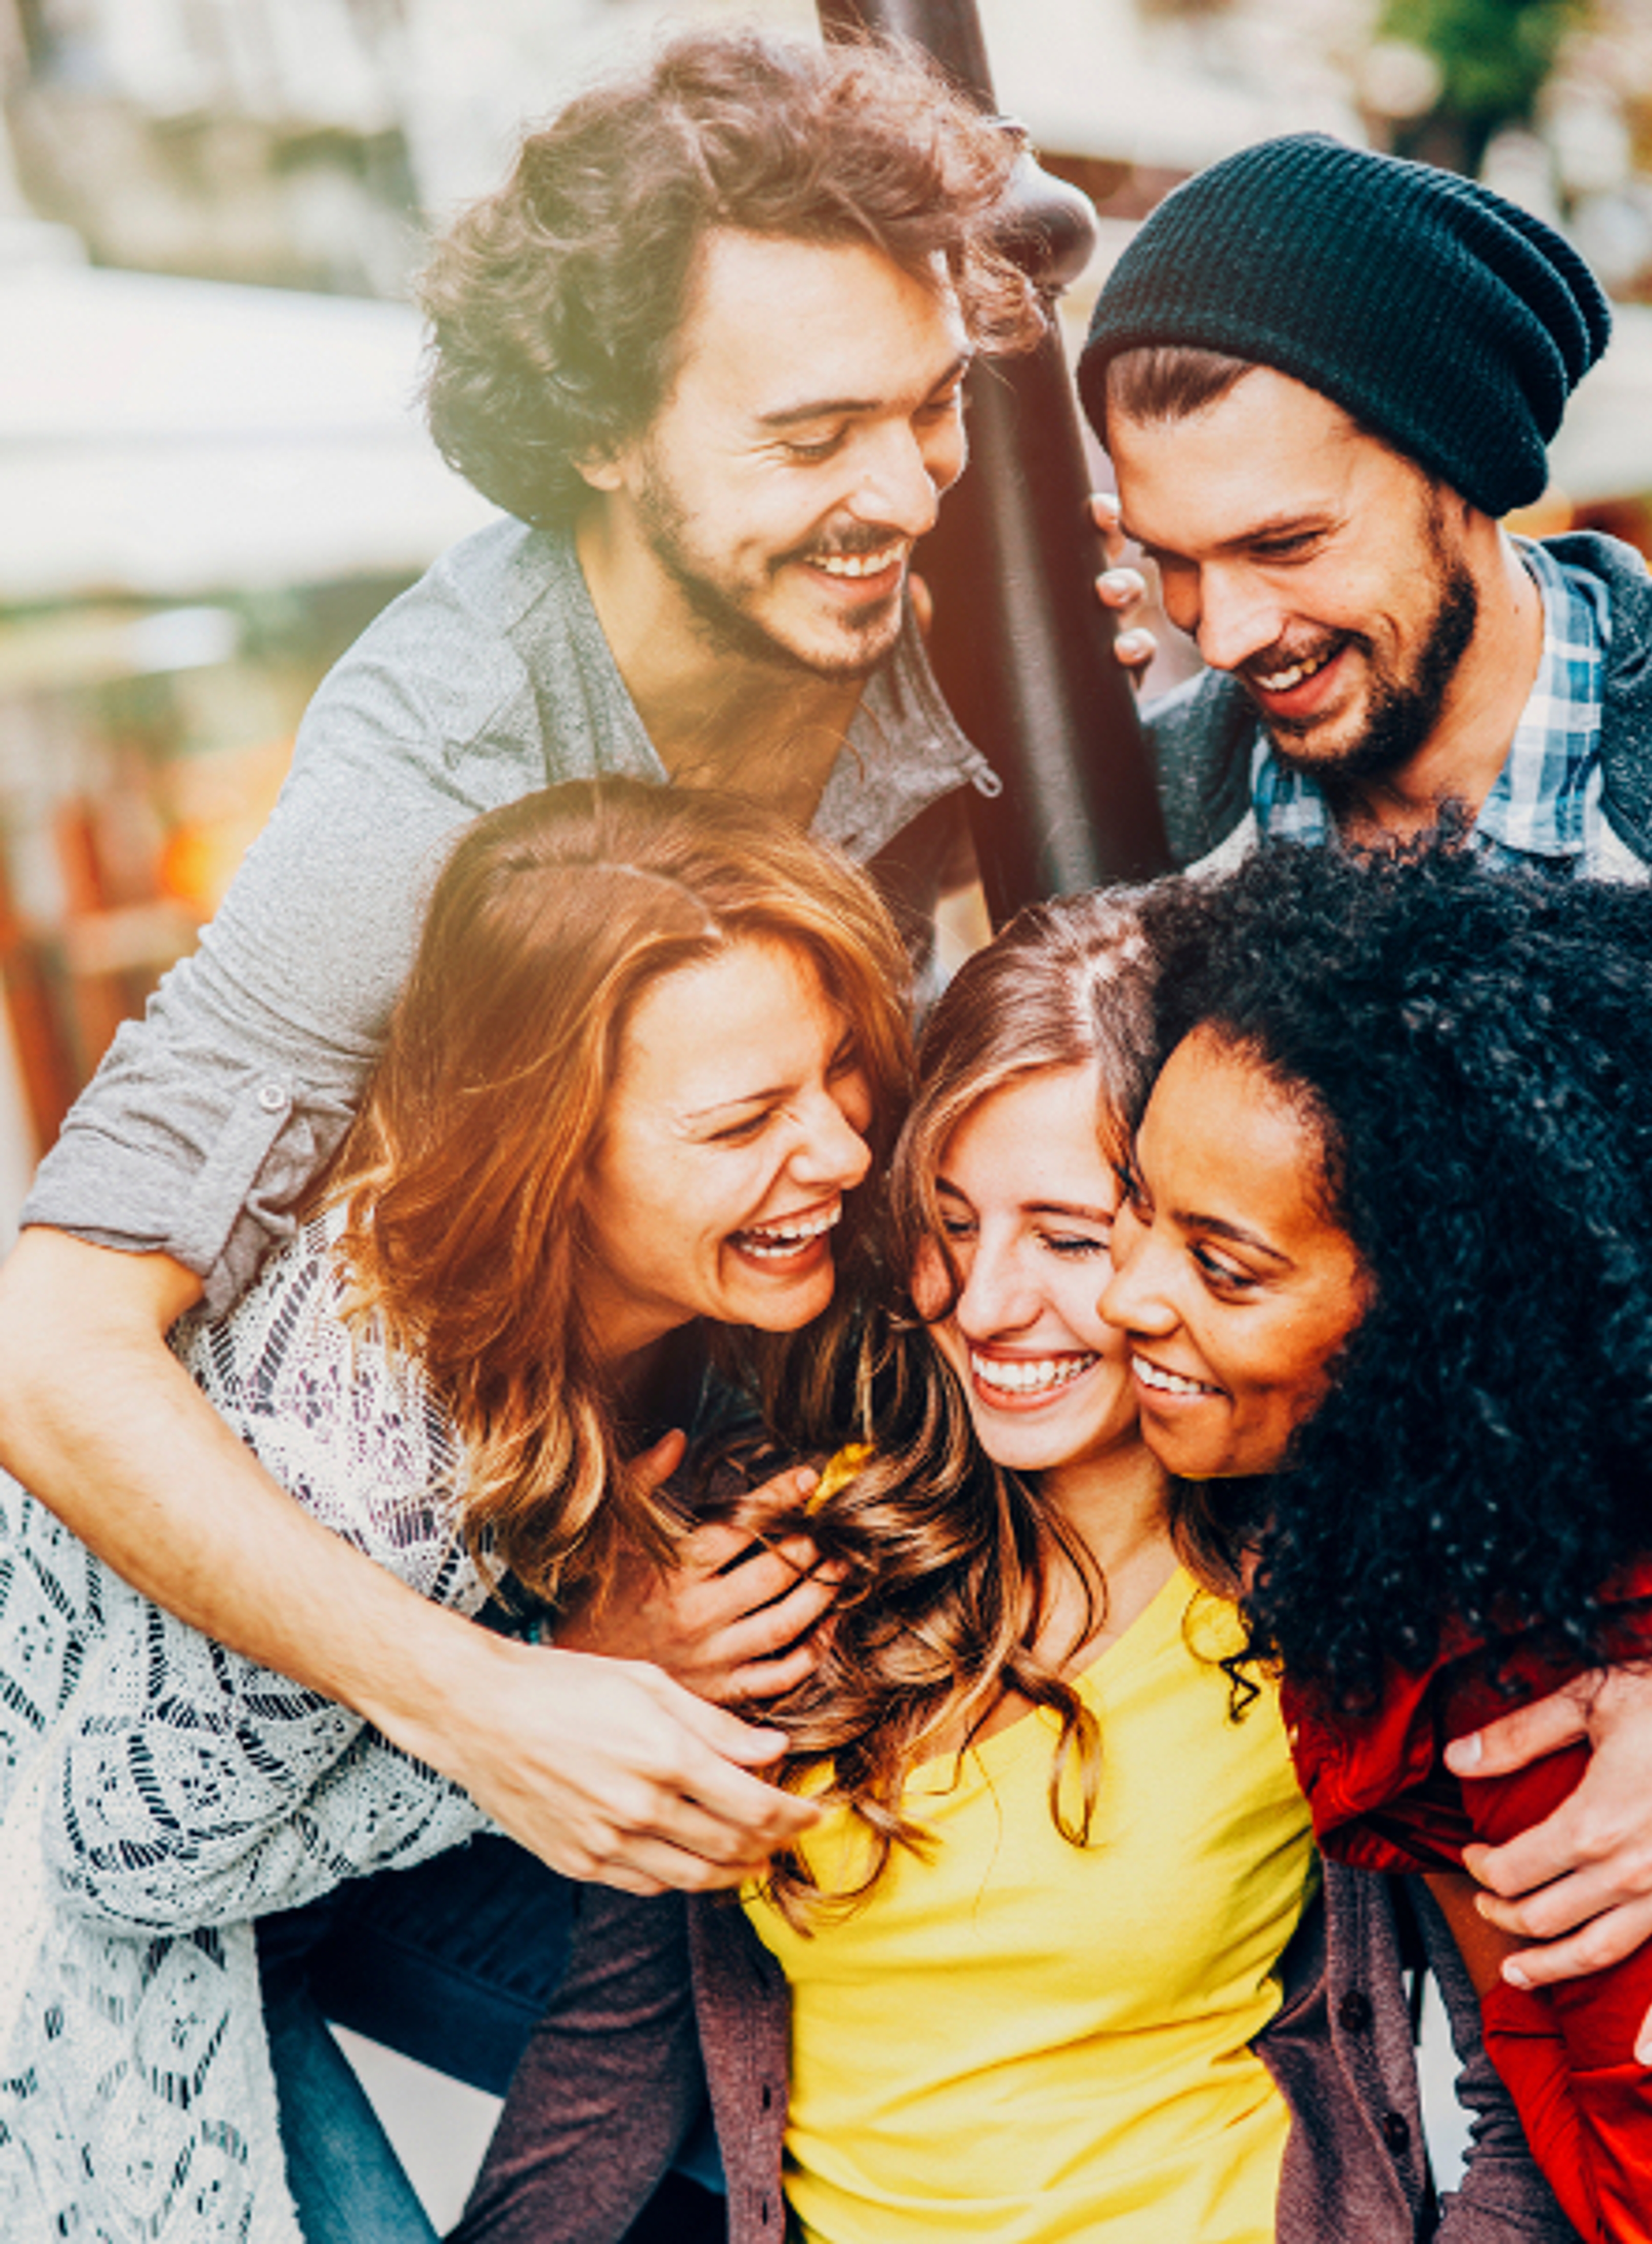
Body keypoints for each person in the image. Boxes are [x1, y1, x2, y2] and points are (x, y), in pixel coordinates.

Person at [0, 25, 1045, 1899]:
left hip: (707, 1551)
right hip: (273, 1711)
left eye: (930, 405)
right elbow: (52, 1339)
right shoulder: (438, 761)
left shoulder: (986, 592)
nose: (903, 490)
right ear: (600, 427)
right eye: (809, 437)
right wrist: (488, 1696)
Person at [1076, 130, 1652, 2052]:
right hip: (1358, 1835)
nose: (1224, 633)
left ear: (1466, 477)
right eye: (1169, 558)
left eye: (1285, 546)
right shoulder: (1155, 808)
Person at [452, 888, 1575, 2244]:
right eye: (953, 1221)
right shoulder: (775, 1552)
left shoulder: (1328, 1606)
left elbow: (1531, 2104)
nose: (983, 1305)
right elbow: (617, 2046)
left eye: (1066, 1237)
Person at [0, 777, 915, 2244]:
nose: (843, 1151)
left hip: (350, 1827)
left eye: (839, 1072)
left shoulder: (730, 1272)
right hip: (134, 1926)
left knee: (736, 2120)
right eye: (746, 1121)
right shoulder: (378, 1423)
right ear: (558, 1150)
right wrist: (568, 1675)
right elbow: (121, 1852)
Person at [1099, 839, 1652, 2242]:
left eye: (1224, 1264)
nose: (1123, 1296)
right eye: (1136, 1205)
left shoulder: (1552, 1633)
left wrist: (1509, 1985)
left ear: (1440, 1321)